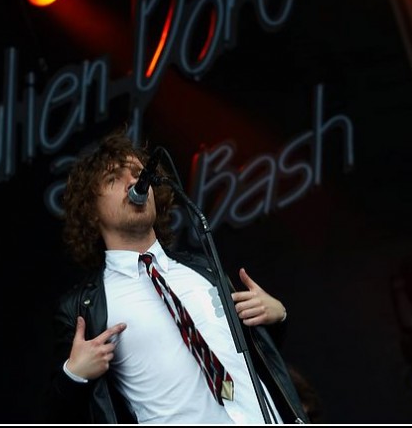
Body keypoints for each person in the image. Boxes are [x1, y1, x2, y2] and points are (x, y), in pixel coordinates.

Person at [48, 129, 309, 424]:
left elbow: (252, 359)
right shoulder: (87, 307)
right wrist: (73, 375)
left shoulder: (202, 269)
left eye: (137, 173)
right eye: (113, 179)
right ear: (91, 212)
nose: (134, 181)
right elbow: (63, 412)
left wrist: (277, 317)